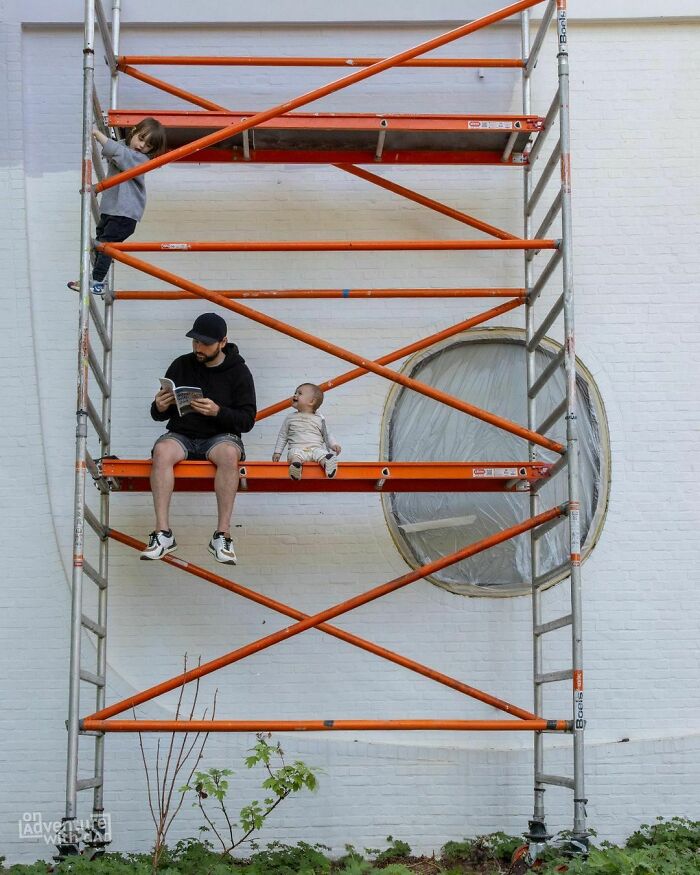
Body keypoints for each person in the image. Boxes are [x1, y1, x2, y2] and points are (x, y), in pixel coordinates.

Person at [141, 312, 256, 565]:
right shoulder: (181, 364)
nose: (198, 348)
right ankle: (163, 534)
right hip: (182, 434)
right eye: (195, 342)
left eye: (205, 343)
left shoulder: (239, 372)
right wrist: (159, 406)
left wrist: (218, 411)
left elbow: (247, 420)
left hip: (220, 437)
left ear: (222, 342)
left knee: (229, 455)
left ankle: (222, 535)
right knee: (161, 451)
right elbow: (158, 415)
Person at [68, 118, 167, 296]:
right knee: (100, 242)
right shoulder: (123, 150)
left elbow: (118, 153)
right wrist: (98, 188)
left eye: (148, 146)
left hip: (125, 213)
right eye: (141, 138)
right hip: (111, 209)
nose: (142, 146)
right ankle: (96, 279)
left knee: (106, 245)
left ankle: (97, 282)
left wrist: (97, 134)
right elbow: (116, 151)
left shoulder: (139, 159)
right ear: (134, 131)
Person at [272, 383, 341, 480]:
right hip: (297, 448)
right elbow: (283, 436)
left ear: (311, 401)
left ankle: (327, 465)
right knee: (294, 454)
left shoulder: (319, 418)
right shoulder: (290, 418)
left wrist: (334, 444)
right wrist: (277, 452)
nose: (295, 395)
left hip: (315, 448)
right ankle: (296, 467)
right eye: (295, 392)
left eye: (299, 393)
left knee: (322, 454)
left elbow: (327, 434)